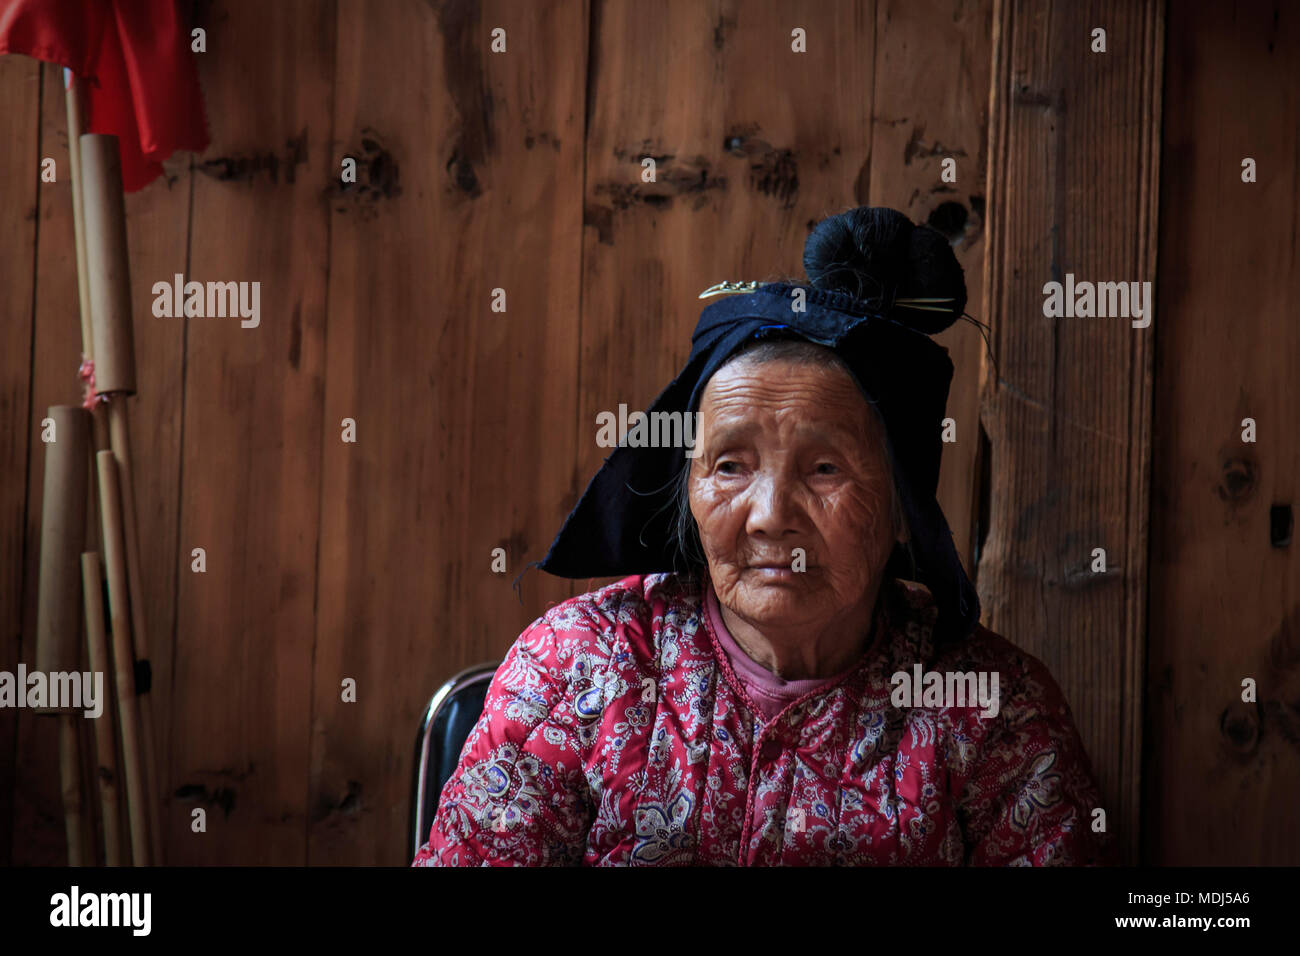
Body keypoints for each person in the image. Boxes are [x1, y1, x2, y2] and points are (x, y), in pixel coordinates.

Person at [413, 206, 1112, 866]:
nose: (770, 514)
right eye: (730, 466)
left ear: (903, 509)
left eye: (825, 467)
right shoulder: (579, 668)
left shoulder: (992, 709)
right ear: (686, 491)